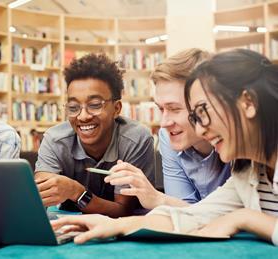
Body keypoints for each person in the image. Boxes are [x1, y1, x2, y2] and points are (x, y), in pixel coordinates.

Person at [52, 49, 278, 246]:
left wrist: (245, 218)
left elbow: (228, 218)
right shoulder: (247, 172)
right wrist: (116, 225)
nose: (200, 130)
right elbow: (194, 216)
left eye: (202, 112)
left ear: (248, 103)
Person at [104, 48, 230, 210]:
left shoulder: (236, 142)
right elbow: (185, 213)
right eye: (161, 109)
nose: (163, 123)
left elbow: (240, 214)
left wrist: (158, 199)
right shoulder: (168, 136)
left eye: (175, 109)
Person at [34, 53, 155, 217]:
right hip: (70, 230)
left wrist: (77, 192)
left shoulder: (136, 139)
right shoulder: (54, 140)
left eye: (95, 104)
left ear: (116, 109)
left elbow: (123, 210)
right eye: (73, 106)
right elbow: (40, 200)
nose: (83, 116)